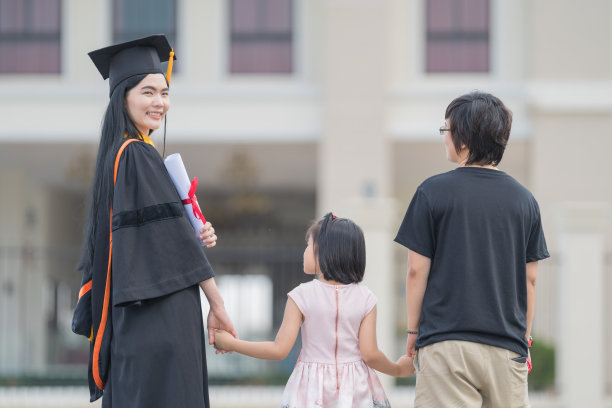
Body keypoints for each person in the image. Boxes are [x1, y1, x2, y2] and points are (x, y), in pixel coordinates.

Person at [71, 35, 237, 407]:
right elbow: (172, 240)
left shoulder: (121, 155)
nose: (159, 102)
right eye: (148, 92)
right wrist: (217, 303)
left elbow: (157, 235)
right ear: (123, 96)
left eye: (164, 93)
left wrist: (192, 232)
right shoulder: (136, 156)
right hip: (160, 320)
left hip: (139, 319)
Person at [394, 91, 550, 407]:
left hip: (446, 346)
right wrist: (525, 340)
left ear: (463, 139)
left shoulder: (431, 192)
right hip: (508, 350)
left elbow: (415, 271)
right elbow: (529, 280)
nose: (444, 138)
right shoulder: (525, 201)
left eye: (446, 130)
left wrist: (414, 331)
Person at [214, 213, 414, 408]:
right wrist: (397, 369)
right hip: (356, 390)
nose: (304, 252)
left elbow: (278, 350)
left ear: (323, 251)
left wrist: (233, 343)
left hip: (311, 389)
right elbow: (370, 354)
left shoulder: (301, 296)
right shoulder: (366, 299)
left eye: (308, 246)